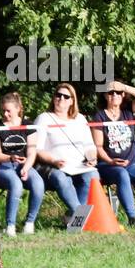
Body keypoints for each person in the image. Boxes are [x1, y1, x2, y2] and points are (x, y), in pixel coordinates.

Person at [92, 79, 135, 226]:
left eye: (118, 92)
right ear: (105, 96)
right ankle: (132, 217)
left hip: (132, 164)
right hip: (108, 165)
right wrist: (111, 161)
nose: (115, 95)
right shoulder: (99, 117)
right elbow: (98, 147)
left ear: (123, 94)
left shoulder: (128, 111)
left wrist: (124, 86)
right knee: (121, 173)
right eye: (111, 92)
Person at [32, 82, 99, 219]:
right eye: (58, 95)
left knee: (93, 176)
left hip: (79, 165)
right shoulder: (44, 118)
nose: (61, 99)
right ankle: (79, 217)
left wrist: (92, 158)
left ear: (72, 101)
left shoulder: (80, 119)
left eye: (66, 97)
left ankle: (73, 217)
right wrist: (54, 161)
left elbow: (89, 146)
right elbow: (37, 149)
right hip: (52, 165)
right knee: (61, 178)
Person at [0, 91, 43, 235]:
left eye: (8, 111)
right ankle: (10, 226)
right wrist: (10, 158)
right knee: (16, 184)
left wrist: (26, 168)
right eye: (3, 111)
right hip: (4, 166)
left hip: (24, 164)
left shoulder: (28, 125)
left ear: (18, 109)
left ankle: (29, 223)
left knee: (38, 183)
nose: (5, 114)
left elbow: (32, 152)